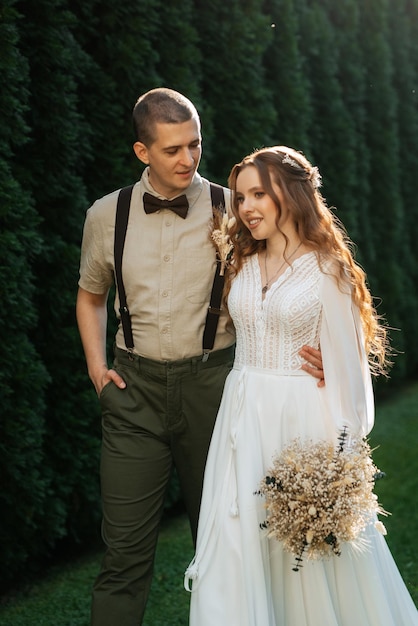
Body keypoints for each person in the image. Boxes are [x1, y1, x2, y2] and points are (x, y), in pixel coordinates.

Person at [76, 91, 324, 625]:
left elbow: (302, 266)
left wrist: (326, 348)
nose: (188, 159)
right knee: (122, 556)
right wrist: (98, 368)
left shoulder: (235, 208)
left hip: (216, 392)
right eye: (172, 150)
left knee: (227, 548)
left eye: (195, 144)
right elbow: (91, 295)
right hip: (132, 395)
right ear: (143, 151)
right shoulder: (105, 215)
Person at [185, 146, 418, 625]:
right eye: (240, 197)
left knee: (308, 556)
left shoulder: (328, 269)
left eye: (258, 195)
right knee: (237, 539)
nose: (246, 208)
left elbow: (352, 381)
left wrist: (340, 461)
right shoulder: (240, 261)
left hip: (302, 422)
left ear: (290, 195)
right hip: (243, 415)